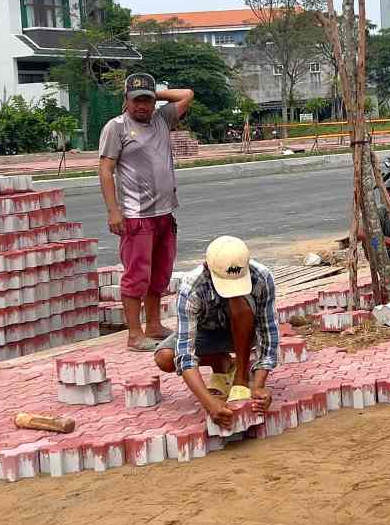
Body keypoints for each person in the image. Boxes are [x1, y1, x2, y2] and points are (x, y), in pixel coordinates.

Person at [98, 72, 194, 351]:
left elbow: (187, 93)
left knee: (160, 273)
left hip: (165, 213)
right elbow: (105, 170)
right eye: (136, 100)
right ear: (125, 101)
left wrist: (156, 93)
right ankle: (134, 333)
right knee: (136, 274)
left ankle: (153, 324)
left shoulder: (162, 120)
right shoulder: (116, 127)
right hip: (136, 216)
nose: (142, 106)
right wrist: (113, 211)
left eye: (147, 101)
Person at [153, 236, 280, 427]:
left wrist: (259, 386)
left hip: (246, 331)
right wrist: (209, 403)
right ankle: (223, 363)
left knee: (239, 303)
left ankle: (242, 377)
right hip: (206, 333)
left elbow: (268, 335)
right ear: (207, 267)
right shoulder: (191, 286)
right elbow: (185, 355)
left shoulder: (261, 276)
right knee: (165, 357)